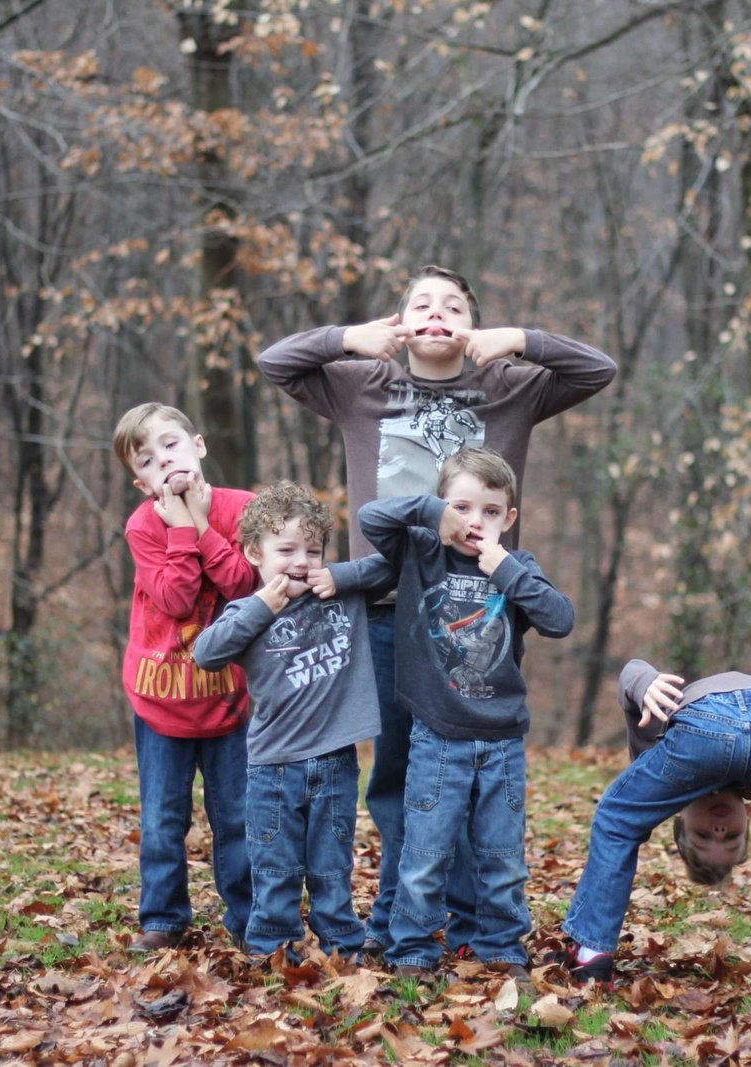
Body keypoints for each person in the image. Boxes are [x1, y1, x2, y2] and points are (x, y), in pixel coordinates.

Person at [257, 264, 616, 957]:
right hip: (386, 605)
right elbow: (276, 362)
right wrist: (350, 338)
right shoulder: (361, 384)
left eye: (453, 305)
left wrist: (516, 338)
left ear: (471, 324)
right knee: (399, 767)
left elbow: (595, 368)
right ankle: (400, 910)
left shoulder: (508, 388)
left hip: (477, 610)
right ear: (401, 321)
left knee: (473, 762)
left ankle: (467, 912)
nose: (436, 313)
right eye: (420, 303)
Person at [358, 447, 575, 979]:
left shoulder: (517, 567)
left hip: (502, 741)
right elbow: (370, 518)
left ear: (510, 518)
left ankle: (499, 946)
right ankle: (410, 948)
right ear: (441, 509)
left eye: (491, 511)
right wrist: (435, 516)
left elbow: (560, 619)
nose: (476, 521)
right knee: (425, 852)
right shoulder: (421, 552)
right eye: (463, 507)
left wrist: (504, 568)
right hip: (436, 737)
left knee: (502, 859)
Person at [559, 659, 751, 987]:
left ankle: (591, 950)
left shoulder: (658, 756)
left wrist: (645, 683)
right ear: (747, 817)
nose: (719, 831)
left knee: (617, 818)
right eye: (730, 837)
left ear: (679, 810)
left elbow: (631, 670)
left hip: (704, 726)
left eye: (703, 836)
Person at [192, 482, 393, 962]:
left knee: (331, 866)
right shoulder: (246, 611)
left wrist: (339, 576)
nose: (301, 561)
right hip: (273, 766)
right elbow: (205, 654)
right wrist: (265, 605)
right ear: (253, 554)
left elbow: (394, 564)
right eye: (286, 550)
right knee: (275, 868)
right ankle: (272, 948)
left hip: (336, 760)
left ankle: (342, 945)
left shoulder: (341, 595)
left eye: (313, 549)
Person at [112, 402, 255, 953]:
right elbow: (173, 599)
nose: (163, 462)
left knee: (238, 818)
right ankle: (163, 919)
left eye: (171, 445)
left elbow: (243, 585)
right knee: (163, 819)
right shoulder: (143, 525)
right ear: (141, 481)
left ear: (198, 445)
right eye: (147, 460)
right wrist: (176, 530)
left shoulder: (241, 510)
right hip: (161, 701)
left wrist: (198, 525)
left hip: (229, 702)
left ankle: (246, 917)